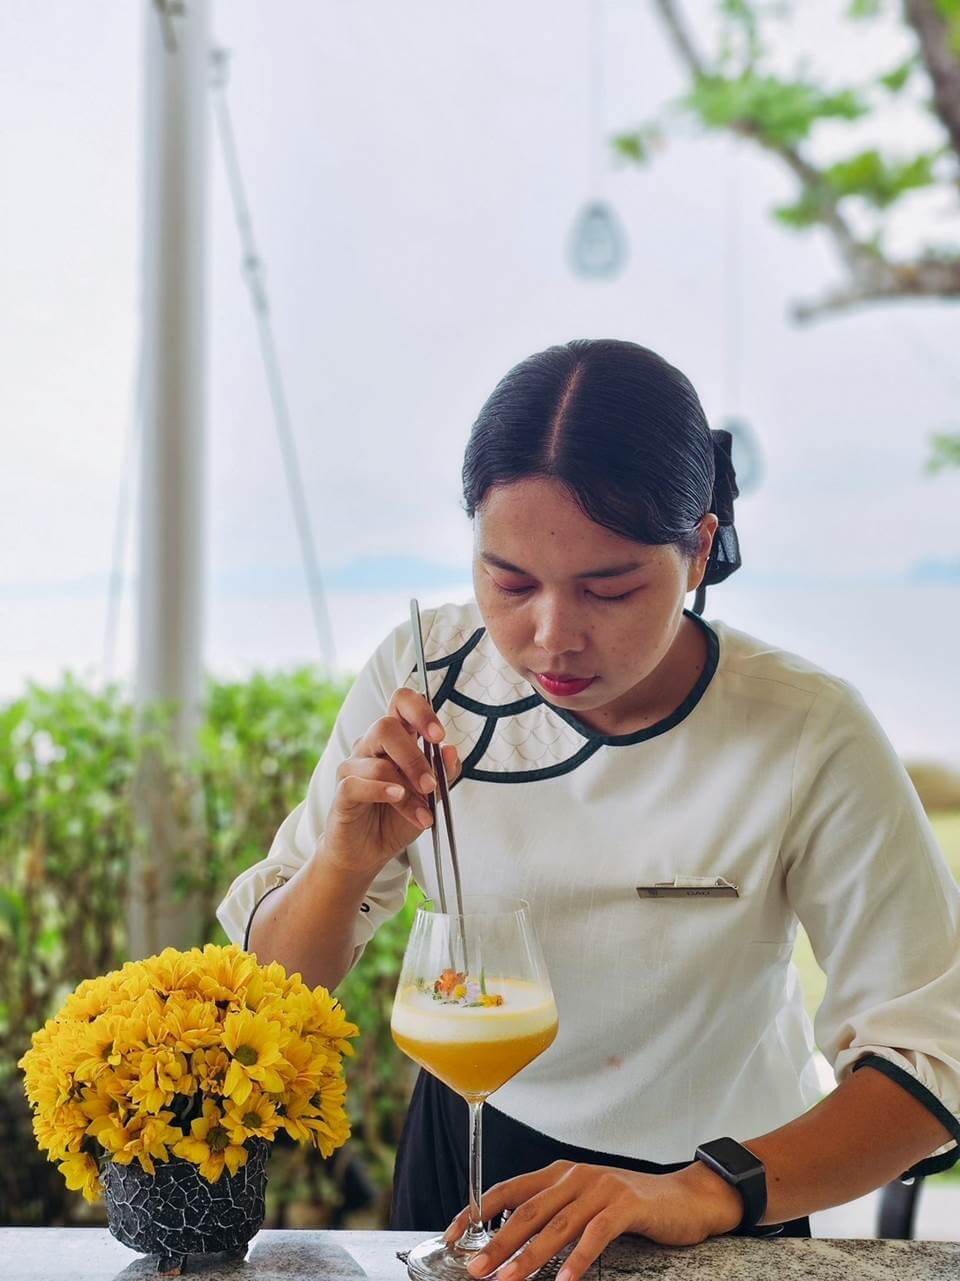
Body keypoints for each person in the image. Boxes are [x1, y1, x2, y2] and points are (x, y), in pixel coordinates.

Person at [217, 339, 960, 1278]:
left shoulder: (805, 729)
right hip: (473, 1160)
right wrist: (343, 863)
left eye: (609, 588)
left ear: (697, 549)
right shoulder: (424, 680)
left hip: (726, 1185)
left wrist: (703, 1190)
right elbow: (277, 994)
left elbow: (932, 1060)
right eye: (509, 581)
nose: (550, 636)